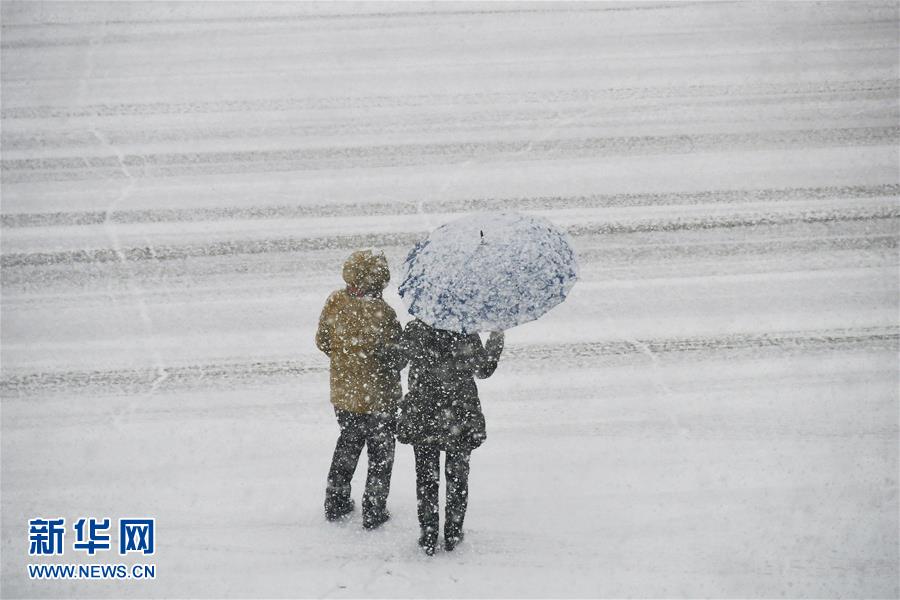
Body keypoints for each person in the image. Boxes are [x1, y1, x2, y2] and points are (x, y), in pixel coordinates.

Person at [315, 250, 406, 529]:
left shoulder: (335, 302)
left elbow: (322, 341)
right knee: (381, 454)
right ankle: (374, 508)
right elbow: (396, 358)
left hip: (345, 395)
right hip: (379, 397)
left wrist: (346, 361)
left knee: (348, 443)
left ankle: (336, 502)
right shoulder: (383, 313)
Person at [397, 319, 504, 555]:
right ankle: (453, 531)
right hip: (460, 414)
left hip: (423, 412)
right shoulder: (464, 328)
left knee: (426, 477)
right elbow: (484, 370)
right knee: (457, 476)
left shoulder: (416, 327)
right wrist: (496, 337)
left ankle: (428, 532)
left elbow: (398, 360)